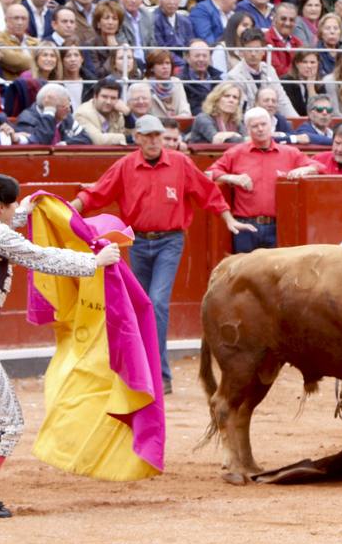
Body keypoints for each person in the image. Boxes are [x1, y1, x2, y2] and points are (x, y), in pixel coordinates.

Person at [0, 173, 120, 517]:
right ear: (0, 206)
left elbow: (3, 230)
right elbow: (39, 257)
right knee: (9, 420)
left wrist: (26, 211)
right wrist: (93, 262)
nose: (13, 212)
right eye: (11, 206)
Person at [69, 115, 255, 392]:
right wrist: (68, 210)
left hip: (170, 240)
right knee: (139, 306)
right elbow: (97, 193)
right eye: (148, 135)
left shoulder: (179, 163)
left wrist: (227, 218)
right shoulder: (126, 166)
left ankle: (160, 375)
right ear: (138, 138)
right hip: (138, 242)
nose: (154, 140)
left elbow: (206, 192)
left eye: (158, 135)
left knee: (155, 303)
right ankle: (141, 373)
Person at [207, 106, 318, 252]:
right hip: (246, 226)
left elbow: (318, 167)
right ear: (247, 129)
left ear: (271, 125)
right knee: (245, 273)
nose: (260, 129)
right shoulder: (236, 152)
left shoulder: (290, 153)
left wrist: (305, 169)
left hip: (278, 226)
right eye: (255, 126)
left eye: (264, 124)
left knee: (275, 273)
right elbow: (209, 172)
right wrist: (232, 178)